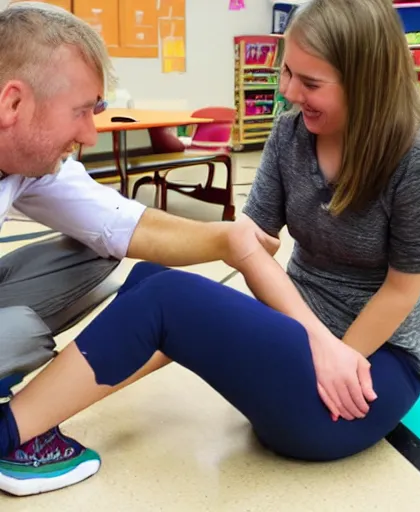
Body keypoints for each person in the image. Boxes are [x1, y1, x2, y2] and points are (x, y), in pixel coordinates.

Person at [0, 0, 420, 498]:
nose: (288, 92)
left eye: (309, 83)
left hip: (366, 369)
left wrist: (339, 354)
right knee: (151, 280)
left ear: (366, 81)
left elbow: (401, 292)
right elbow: (250, 246)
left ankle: (8, 432)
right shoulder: (292, 133)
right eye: (287, 72)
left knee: (167, 299)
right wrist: (314, 338)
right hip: (306, 337)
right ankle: (30, 422)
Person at [0, 1, 278, 496]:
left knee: (95, 249)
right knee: (18, 333)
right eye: (81, 112)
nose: (89, 133)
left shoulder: (26, 161)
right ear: (13, 104)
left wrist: (227, 238)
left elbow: (120, 223)